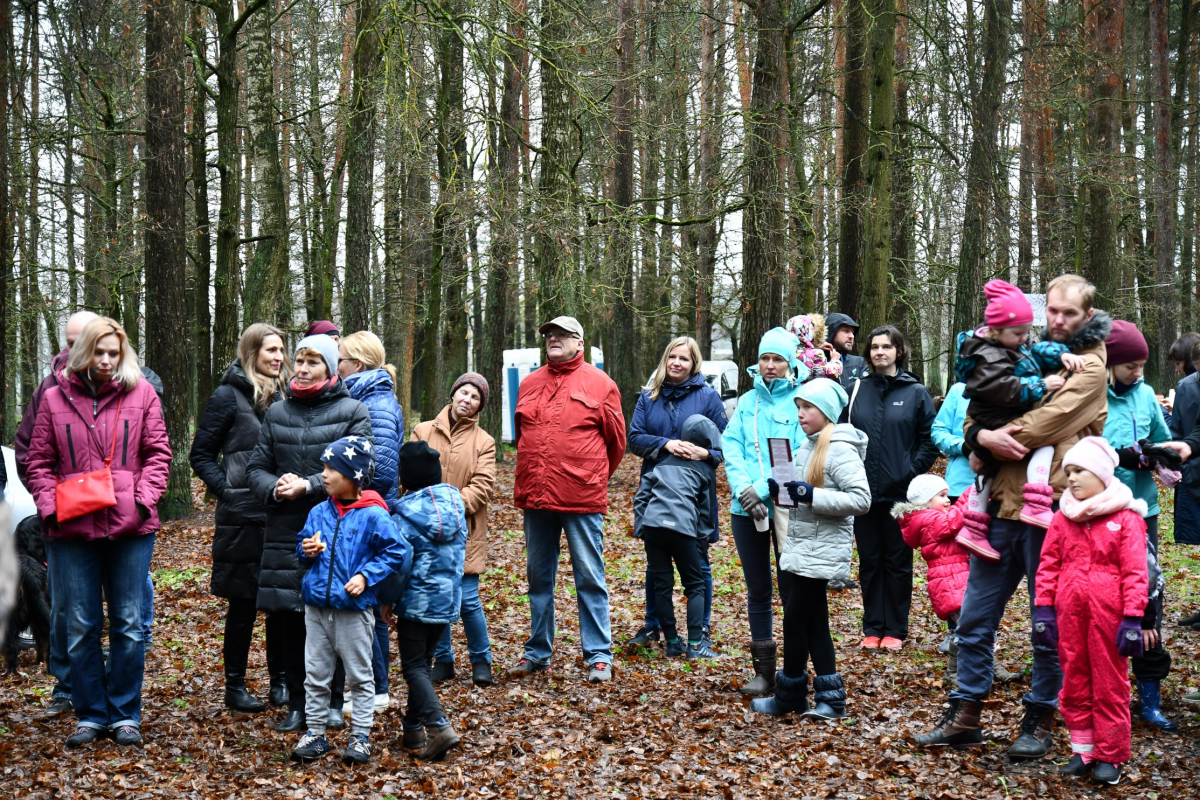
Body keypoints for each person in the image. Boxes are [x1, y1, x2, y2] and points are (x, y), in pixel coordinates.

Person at [915, 274, 1111, 758]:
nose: (1058, 321)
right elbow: (974, 404)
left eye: (1069, 313)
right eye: (1054, 311)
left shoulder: (1089, 366)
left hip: (1053, 513)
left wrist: (992, 437)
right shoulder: (1023, 352)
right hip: (999, 505)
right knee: (975, 619)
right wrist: (978, 437)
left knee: (1047, 623)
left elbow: (1048, 420)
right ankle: (966, 713)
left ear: (1088, 316)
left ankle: (1040, 716)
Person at [25, 317, 172, 748]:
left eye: (114, 353)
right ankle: (90, 714)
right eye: (99, 352)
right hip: (71, 530)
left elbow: (158, 453)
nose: (106, 361)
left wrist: (142, 500)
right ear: (82, 352)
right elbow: (37, 461)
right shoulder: (53, 399)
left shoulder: (141, 393)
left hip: (131, 527)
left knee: (128, 622)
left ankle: (125, 713)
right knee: (81, 623)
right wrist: (51, 510)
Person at [246, 334, 373, 733]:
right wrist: (275, 485)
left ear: (331, 368)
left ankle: (334, 702)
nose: (301, 369)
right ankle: (299, 706)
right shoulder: (277, 412)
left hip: (338, 526)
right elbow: (255, 468)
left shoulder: (353, 410)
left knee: (333, 613)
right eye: (298, 361)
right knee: (289, 619)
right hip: (286, 528)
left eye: (312, 362)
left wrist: (311, 485)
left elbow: (361, 469)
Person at [508, 316, 626, 684]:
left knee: (589, 577)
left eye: (561, 335)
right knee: (538, 579)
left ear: (580, 341)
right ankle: (538, 653)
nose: (553, 339)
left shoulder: (601, 383)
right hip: (536, 496)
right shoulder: (529, 383)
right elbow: (521, 434)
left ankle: (599, 655)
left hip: (581, 496)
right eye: (548, 335)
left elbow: (616, 443)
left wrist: (588, 475)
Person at [1032, 437, 1148, 786]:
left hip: (1110, 615)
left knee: (1110, 683)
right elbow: (1048, 565)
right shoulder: (1062, 518)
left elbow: (1135, 571)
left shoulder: (1126, 519)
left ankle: (1110, 755)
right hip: (1069, 613)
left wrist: (1132, 618)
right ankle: (1084, 749)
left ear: (1102, 474)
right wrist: (1043, 610)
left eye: (1080, 470)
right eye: (1068, 472)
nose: (1072, 478)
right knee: (1076, 681)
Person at [752, 378, 870, 718]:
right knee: (814, 623)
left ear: (827, 412)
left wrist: (810, 495)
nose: (801, 414)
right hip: (802, 546)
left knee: (795, 620)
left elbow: (861, 499)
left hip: (821, 549)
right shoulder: (806, 447)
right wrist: (783, 493)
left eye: (808, 408)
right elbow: (798, 499)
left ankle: (790, 694)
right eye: (799, 408)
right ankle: (829, 700)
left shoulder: (840, 449)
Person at [288, 437, 407, 765]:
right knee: (315, 672)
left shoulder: (373, 515)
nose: (323, 475)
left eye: (331, 469)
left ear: (353, 476)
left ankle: (361, 737)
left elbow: (396, 551)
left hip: (353, 612)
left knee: (359, 674)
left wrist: (366, 576)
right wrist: (306, 550)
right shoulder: (317, 512)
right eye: (323, 467)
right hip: (316, 608)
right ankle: (315, 733)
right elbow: (301, 546)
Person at [189, 323, 289, 713]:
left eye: (282, 350)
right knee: (244, 604)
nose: (279, 357)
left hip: (283, 514)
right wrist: (228, 489)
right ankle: (235, 685)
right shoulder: (227, 396)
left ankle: (280, 682)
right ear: (251, 354)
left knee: (281, 604)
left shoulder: (287, 397)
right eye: (271, 351)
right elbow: (200, 455)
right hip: (242, 518)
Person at [953, 280, 1086, 541]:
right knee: (1042, 444)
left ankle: (974, 525)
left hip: (993, 417)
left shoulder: (1009, 346)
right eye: (1019, 334)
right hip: (998, 414)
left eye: (1027, 331)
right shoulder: (989, 356)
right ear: (995, 330)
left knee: (987, 467)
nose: (1024, 338)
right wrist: (1040, 385)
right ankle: (1036, 502)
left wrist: (1060, 354)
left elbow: (1033, 352)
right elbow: (1002, 388)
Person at [1100, 321, 1180, 732]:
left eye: (1142, 365)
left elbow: (1165, 440)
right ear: (1111, 362)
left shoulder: (1147, 395)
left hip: (1141, 511)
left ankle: (1150, 696)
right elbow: (1076, 450)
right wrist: (1118, 455)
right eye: (1130, 365)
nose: (1138, 373)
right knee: (1102, 601)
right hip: (1095, 512)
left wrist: (1162, 456)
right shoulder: (1090, 395)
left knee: (1147, 596)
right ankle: (1099, 692)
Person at [625, 336, 727, 651]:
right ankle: (654, 626)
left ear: (694, 363)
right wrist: (665, 444)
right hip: (657, 491)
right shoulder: (649, 396)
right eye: (672, 357)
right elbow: (634, 439)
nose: (677, 363)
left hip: (695, 493)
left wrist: (704, 454)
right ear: (665, 360)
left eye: (684, 358)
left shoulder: (708, 397)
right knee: (657, 568)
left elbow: (723, 446)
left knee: (699, 561)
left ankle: (701, 631)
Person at [721, 326, 806, 695]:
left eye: (778, 359)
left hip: (787, 505)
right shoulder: (746, 402)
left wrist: (759, 487)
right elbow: (732, 445)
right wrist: (742, 488)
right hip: (746, 510)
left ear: (790, 363)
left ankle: (794, 668)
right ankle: (764, 672)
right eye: (765, 358)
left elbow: (800, 454)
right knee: (758, 589)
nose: (770, 366)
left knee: (792, 589)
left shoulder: (803, 400)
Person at [845, 324, 938, 651]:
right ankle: (872, 628)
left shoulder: (915, 392)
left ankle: (895, 630)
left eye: (886, 346)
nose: (879, 352)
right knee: (870, 562)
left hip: (901, 498)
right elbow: (845, 438)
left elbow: (929, 443)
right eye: (874, 347)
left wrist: (907, 473)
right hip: (864, 495)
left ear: (899, 351)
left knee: (897, 564)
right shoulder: (857, 391)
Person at [334, 331, 404, 715]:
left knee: (370, 606)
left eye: (340, 361)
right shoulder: (366, 397)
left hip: (368, 515)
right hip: (360, 513)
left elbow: (379, 471)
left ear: (356, 366)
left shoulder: (375, 403)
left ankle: (376, 687)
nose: (336, 367)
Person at [412, 373, 498, 687]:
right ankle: (444, 659)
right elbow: (411, 475)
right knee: (438, 595)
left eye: (475, 397)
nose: (467, 399)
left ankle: (481, 660)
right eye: (464, 393)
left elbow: (483, 486)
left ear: (480, 406)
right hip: (428, 530)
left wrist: (448, 507)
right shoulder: (422, 431)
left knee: (467, 600)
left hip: (465, 530)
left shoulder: (484, 441)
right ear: (453, 394)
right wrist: (428, 511)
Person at [392, 441, 468, 761]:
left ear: (404, 479)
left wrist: (387, 600)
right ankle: (412, 728)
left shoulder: (404, 515)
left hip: (415, 602)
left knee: (412, 667)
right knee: (423, 664)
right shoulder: (455, 505)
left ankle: (439, 726)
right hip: (447, 601)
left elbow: (399, 564)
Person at [632, 414, 724, 660]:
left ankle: (672, 642)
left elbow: (642, 496)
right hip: (684, 531)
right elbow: (707, 511)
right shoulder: (705, 468)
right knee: (694, 586)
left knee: (662, 586)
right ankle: (695, 646)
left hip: (653, 527)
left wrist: (641, 526)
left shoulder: (661, 462)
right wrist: (701, 541)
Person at [1169, 333, 1200, 549]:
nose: (1176, 369)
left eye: (1179, 363)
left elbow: (1177, 432)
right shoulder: (1186, 387)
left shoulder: (1186, 387)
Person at [785, 314, 843, 382]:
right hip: (808, 391)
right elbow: (830, 373)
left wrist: (815, 346)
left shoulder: (784, 353)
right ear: (810, 331)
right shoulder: (815, 354)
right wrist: (835, 359)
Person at [826, 312, 867, 389]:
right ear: (832, 332)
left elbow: (865, 393)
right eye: (846, 331)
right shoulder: (816, 362)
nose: (851, 336)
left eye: (853, 332)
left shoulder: (859, 363)